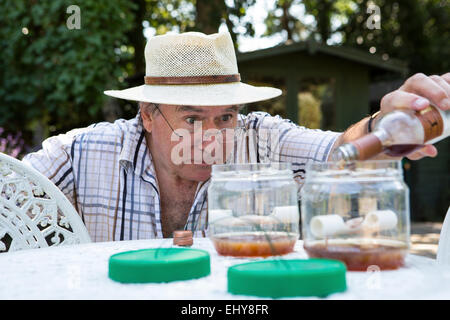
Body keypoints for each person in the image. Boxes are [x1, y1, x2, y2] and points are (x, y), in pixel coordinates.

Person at [22, 32, 449, 242]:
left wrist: (383, 124)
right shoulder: (82, 152)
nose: (214, 137)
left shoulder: (260, 138)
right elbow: (10, 194)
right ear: (147, 115)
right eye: (191, 119)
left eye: (225, 117)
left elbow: (340, 150)